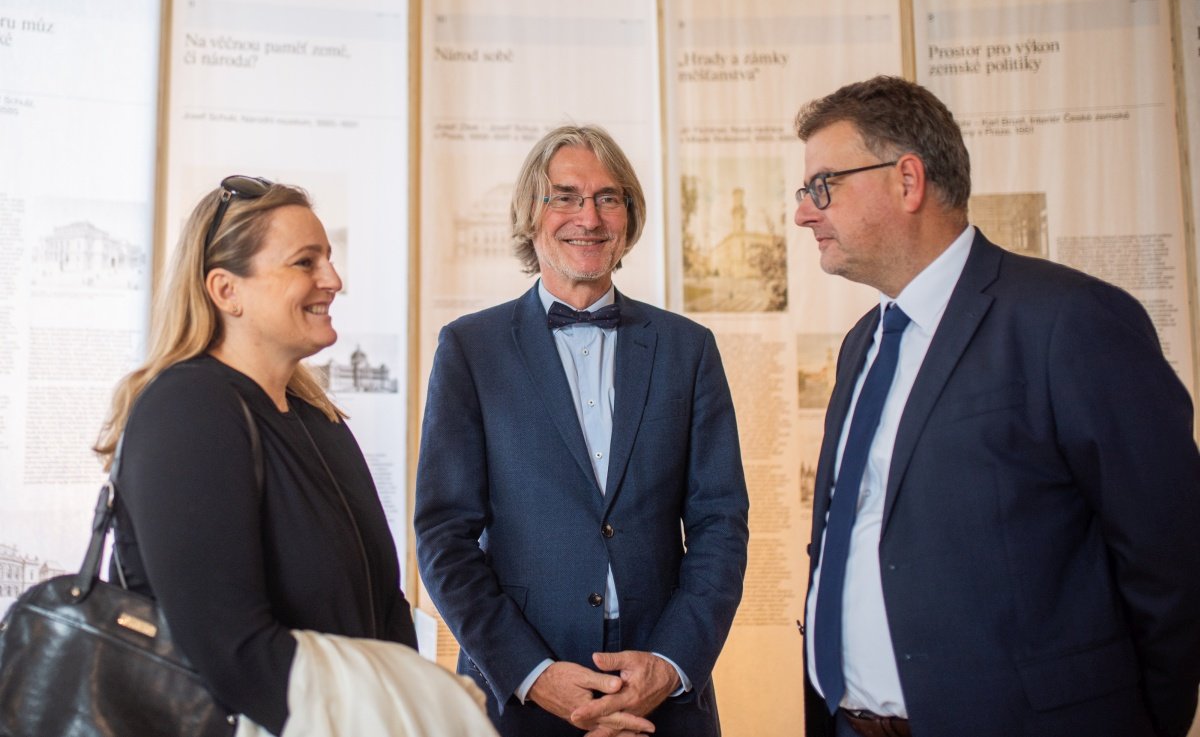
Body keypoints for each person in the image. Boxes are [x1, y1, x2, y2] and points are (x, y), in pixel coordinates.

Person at [792, 75, 1200, 737]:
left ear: (908, 180)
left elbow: (1170, 558)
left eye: (822, 186)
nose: (805, 214)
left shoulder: (1069, 321)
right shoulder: (864, 343)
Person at [414, 124, 750, 737]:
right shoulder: (470, 349)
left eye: (608, 198)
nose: (588, 218)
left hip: (665, 695)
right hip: (521, 697)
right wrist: (532, 673)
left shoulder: (689, 348)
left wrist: (671, 664)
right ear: (530, 214)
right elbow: (443, 537)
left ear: (629, 217)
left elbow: (720, 525)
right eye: (565, 197)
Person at [94, 177, 423, 735]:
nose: (333, 280)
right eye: (305, 262)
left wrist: (407, 706)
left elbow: (384, 606)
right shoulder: (187, 410)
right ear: (226, 291)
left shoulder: (318, 418)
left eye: (329, 258)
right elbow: (233, 653)